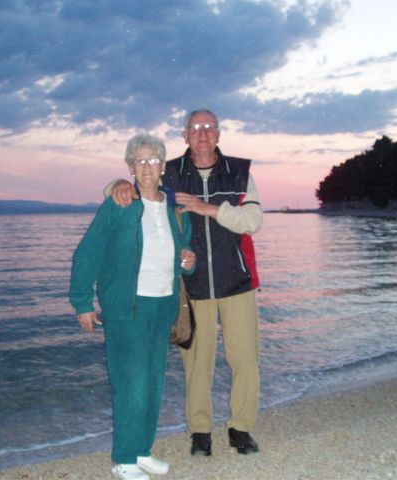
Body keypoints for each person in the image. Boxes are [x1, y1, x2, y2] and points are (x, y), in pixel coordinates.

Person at [110, 109, 263, 457]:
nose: (202, 133)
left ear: (218, 134)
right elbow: (139, 189)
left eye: (209, 127)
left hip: (238, 282)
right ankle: (200, 432)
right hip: (191, 286)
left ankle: (241, 429)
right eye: (195, 128)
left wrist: (209, 208)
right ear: (185, 136)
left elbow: (253, 220)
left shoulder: (240, 171)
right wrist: (117, 185)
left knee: (245, 359)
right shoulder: (172, 173)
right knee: (195, 364)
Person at [70, 133, 196, 480]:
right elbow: (88, 252)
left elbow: (185, 252)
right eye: (139, 160)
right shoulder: (119, 203)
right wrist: (82, 302)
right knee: (132, 382)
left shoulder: (174, 209)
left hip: (163, 303)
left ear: (163, 166)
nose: (147, 166)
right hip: (128, 307)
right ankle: (124, 460)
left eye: (153, 159)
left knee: (153, 381)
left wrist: (188, 261)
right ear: (130, 167)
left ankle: (142, 451)